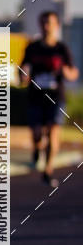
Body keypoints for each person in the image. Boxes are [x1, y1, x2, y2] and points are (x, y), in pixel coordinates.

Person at [20, 10, 79, 188]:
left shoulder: (61, 49)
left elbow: (73, 72)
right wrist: (23, 75)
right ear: (40, 25)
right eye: (44, 23)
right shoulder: (32, 48)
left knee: (53, 132)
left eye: (50, 23)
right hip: (36, 97)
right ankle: (37, 149)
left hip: (56, 98)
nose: (46, 27)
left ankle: (48, 170)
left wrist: (67, 73)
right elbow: (22, 68)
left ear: (56, 26)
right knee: (38, 133)